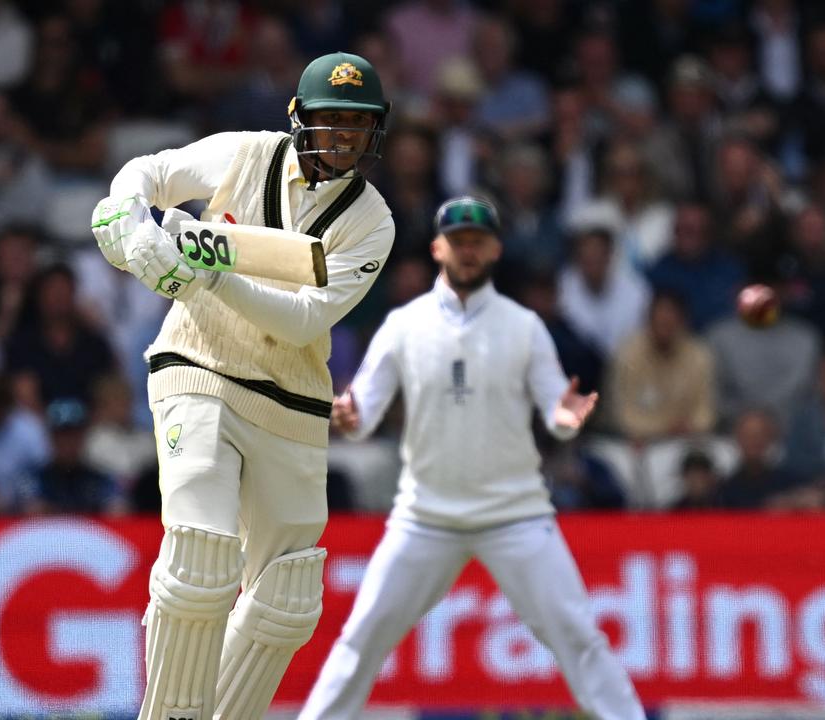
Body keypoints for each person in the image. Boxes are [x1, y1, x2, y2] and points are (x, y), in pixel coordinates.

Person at [90, 52, 395, 720]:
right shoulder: (247, 154)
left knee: (288, 601)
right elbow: (154, 172)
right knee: (201, 557)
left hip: (291, 399)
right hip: (196, 364)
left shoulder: (372, 222)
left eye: (357, 123)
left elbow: (305, 318)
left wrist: (204, 270)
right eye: (331, 119)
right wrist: (130, 216)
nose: (344, 136)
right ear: (299, 120)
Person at [298, 196, 646, 720]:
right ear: (439, 247)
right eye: (457, 241)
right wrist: (346, 416)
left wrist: (568, 417)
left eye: (476, 242)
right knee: (360, 639)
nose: (466, 250)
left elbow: (555, 411)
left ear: (494, 249)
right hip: (426, 516)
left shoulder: (524, 326)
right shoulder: (404, 325)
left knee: (579, 638)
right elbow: (363, 413)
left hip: (516, 513)